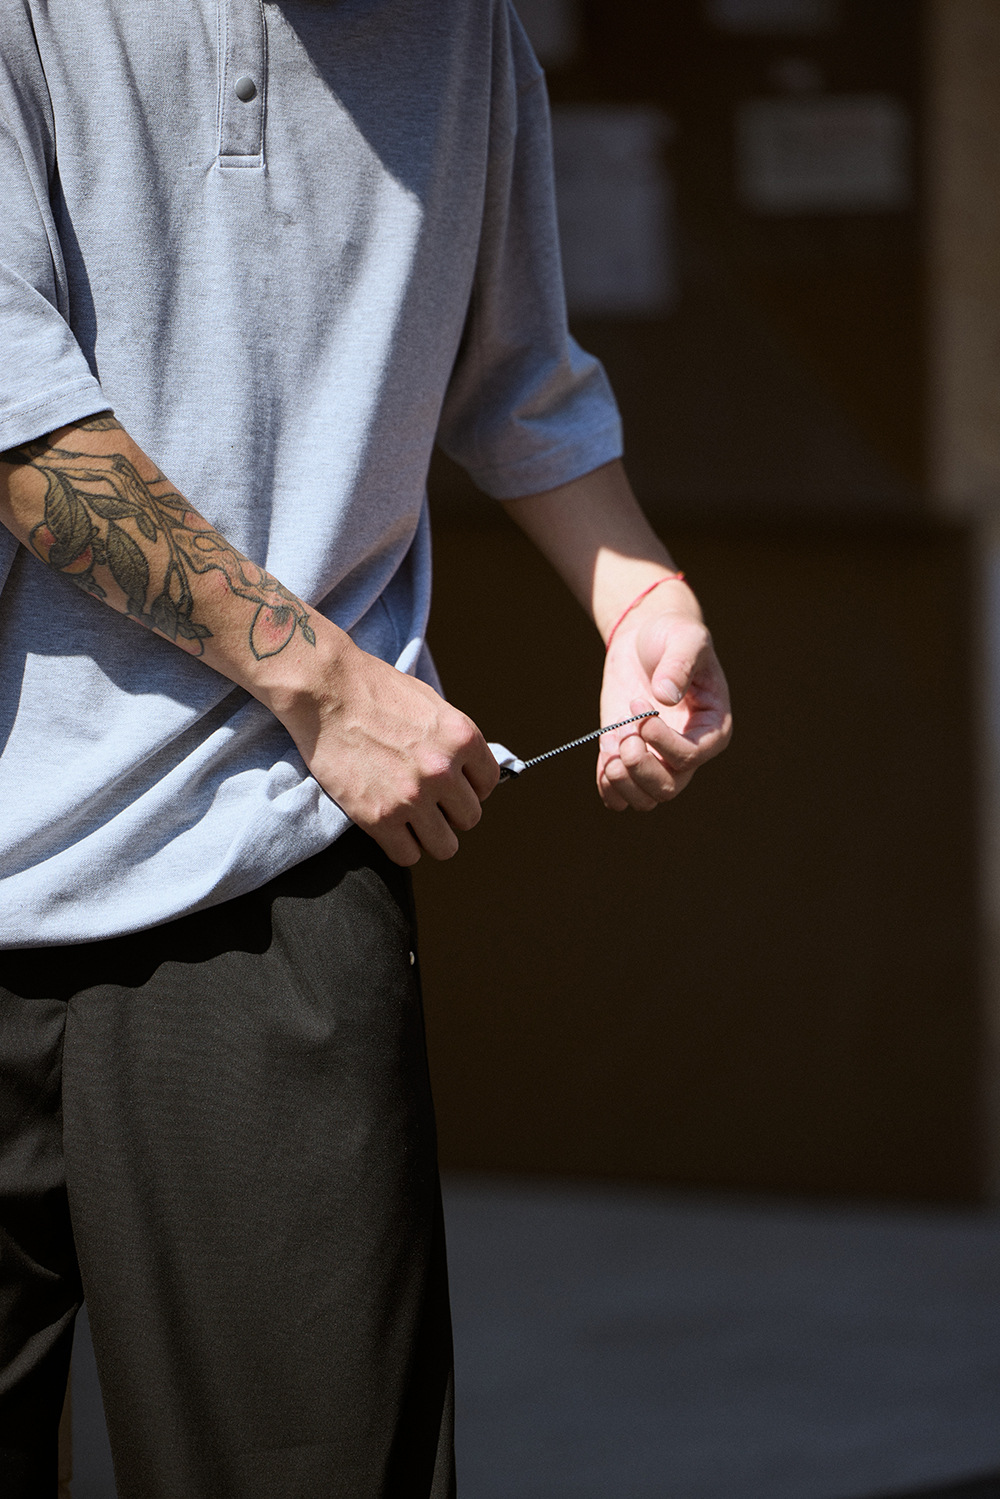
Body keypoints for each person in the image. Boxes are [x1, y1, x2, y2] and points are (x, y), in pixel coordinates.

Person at [0, 2, 731, 1495]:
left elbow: (514, 373)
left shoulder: (466, 31)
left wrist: (641, 596)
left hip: (274, 873)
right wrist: (328, 685)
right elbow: (17, 411)